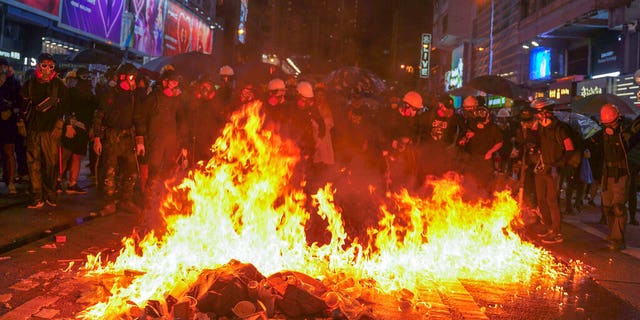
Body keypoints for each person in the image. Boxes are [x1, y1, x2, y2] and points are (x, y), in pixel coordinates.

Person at [136, 69, 189, 228]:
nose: (175, 86)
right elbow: (140, 118)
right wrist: (140, 139)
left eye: (176, 83)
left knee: (170, 172)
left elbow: (181, 121)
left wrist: (183, 144)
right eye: (172, 82)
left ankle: (165, 202)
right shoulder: (153, 98)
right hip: (155, 141)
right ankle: (148, 204)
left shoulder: (177, 100)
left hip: (171, 143)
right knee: (153, 172)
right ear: (164, 82)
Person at [92, 63, 142, 215]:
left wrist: (140, 141)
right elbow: (99, 115)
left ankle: (126, 200)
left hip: (128, 138)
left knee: (131, 172)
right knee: (109, 171)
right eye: (131, 78)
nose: (133, 82)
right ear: (122, 77)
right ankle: (109, 203)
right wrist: (97, 138)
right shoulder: (110, 94)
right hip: (112, 137)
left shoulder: (134, 97)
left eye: (134, 78)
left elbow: (138, 119)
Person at [21, 53, 69, 208]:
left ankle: (50, 194)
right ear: (38, 66)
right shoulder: (29, 84)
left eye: (51, 66)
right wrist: (21, 123)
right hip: (33, 129)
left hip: (51, 131)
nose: (48, 69)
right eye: (44, 65)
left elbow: (66, 107)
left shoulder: (59, 85)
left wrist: (63, 125)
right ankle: (36, 196)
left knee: (51, 164)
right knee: (33, 164)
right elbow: (22, 106)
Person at [531, 98, 575, 244]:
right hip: (542, 168)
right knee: (541, 199)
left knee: (552, 201)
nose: (537, 116)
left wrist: (557, 165)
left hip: (554, 170)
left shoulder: (560, 128)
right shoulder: (542, 127)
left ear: (547, 112)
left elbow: (569, 149)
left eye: (539, 113)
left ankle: (556, 232)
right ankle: (548, 227)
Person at [599, 104, 634, 250]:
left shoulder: (626, 132)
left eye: (611, 123)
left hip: (621, 174)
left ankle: (618, 239)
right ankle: (613, 233)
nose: (609, 126)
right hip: (607, 174)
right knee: (608, 208)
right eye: (606, 124)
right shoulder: (603, 134)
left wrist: (617, 135)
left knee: (618, 207)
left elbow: (626, 150)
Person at [60, 67, 97, 194]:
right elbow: (65, 109)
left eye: (89, 76)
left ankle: (73, 183)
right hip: (73, 127)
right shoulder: (71, 92)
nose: (87, 79)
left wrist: (92, 128)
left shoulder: (91, 95)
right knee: (65, 155)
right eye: (84, 76)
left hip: (83, 129)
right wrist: (69, 125)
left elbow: (94, 113)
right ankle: (57, 181)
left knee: (77, 156)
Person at [457, 106, 503, 193]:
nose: (479, 115)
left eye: (482, 113)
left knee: (485, 182)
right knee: (471, 181)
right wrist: (464, 139)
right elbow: (467, 134)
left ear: (487, 115)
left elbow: (499, 142)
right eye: (477, 113)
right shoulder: (472, 124)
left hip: (486, 159)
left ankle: (484, 200)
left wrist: (490, 152)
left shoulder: (493, 127)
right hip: (472, 158)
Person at [0, 58, 22, 195]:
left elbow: (19, 101)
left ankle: (11, 181)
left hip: (8, 122)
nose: (2, 69)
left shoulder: (13, 82)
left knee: (9, 152)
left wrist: (12, 107)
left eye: (4, 66)